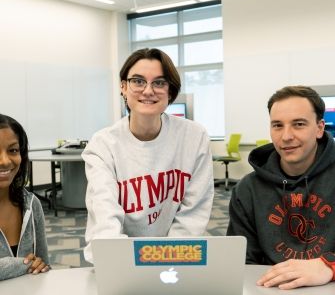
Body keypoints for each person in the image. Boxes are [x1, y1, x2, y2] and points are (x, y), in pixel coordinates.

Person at [83, 48, 214, 263]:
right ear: (123, 87)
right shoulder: (103, 144)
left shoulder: (193, 136)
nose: (148, 90)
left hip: (175, 257)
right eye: (138, 81)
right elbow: (105, 215)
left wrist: (167, 260)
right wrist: (124, 264)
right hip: (119, 258)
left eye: (159, 82)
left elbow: (193, 214)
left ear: (171, 91)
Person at [227, 85, 335, 290]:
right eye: (277, 125)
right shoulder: (247, 190)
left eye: (299, 124)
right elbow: (241, 263)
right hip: (271, 288)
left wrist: (328, 265)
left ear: (319, 128)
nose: (286, 136)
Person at [0, 114, 50, 281]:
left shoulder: (31, 204)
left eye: (13, 150)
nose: (5, 161)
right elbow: (31, 264)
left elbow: (44, 266)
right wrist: (25, 264)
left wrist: (40, 266)